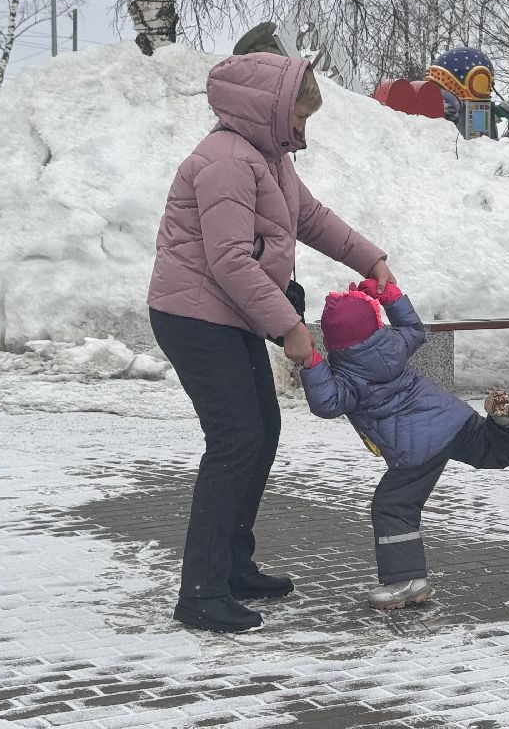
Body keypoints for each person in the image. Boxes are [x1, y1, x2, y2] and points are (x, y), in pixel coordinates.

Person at [148, 52, 395, 634]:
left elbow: (309, 217)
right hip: (194, 317)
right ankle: (201, 591)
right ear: (270, 109)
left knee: (261, 432)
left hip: (226, 314)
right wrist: (290, 326)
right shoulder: (225, 162)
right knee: (237, 440)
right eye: (301, 117)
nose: (304, 129)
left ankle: (232, 566)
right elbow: (229, 261)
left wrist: (371, 257)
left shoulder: (267, 157)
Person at [302, 279, 509, 608]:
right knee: (493, 452)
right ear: (376, 324)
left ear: (333, 339)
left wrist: (311, 361)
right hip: (450, 418)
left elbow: (326, 403)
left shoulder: (347, 375)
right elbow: (414, 327)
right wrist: (391, 296)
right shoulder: (394, 343)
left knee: (392, 507)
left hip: (415, 449)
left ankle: (405, 581)